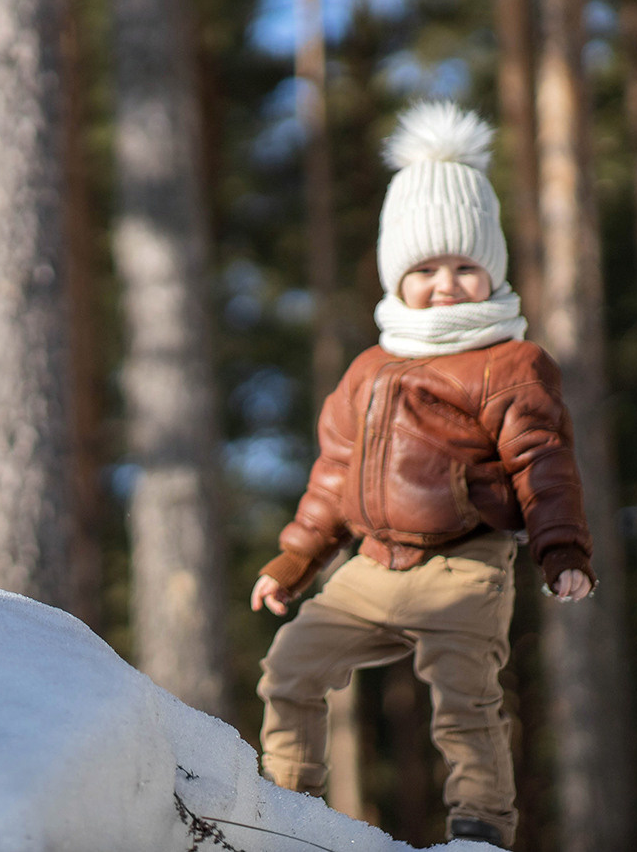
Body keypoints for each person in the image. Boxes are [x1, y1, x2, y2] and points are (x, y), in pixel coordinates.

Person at [249, 101, 595, 849]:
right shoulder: (370, 367)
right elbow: (334, 475)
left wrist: (562, 548)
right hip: (371, 565)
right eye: (426, 269)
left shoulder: (510, 362)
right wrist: (295, 561)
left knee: (465, 698)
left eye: (466, 267)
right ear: (395, 273)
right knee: (290, 668)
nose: (446, 284)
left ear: (492, 270)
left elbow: (543, 462)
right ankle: (284, 807)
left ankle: (479, 828)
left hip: (463, 565)